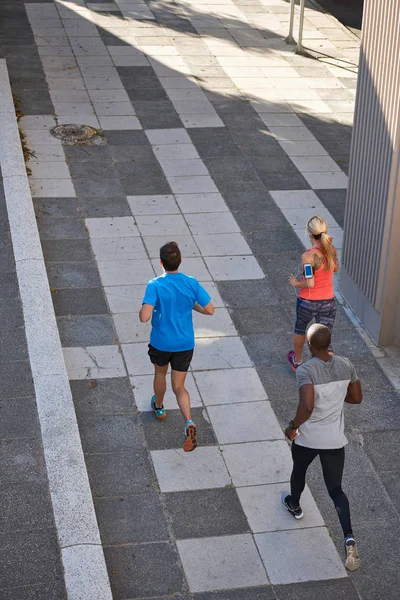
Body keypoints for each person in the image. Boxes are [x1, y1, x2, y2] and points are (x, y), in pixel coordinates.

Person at [283, 323, 362, 572]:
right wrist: (339, 399)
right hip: (334, 441)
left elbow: (306, 407)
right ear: (329, 343)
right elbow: (357, 397)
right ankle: (349, 538)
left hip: (308, 438)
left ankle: (294, 505)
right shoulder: (346, 364)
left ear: (309, 346)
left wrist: (292, 426)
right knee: (336, 490)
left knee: (299, 471)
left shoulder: (305, 370)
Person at [139, 241, 214, 452]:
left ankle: (159, 406)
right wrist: (190, 305)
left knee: (160, 374)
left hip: (161, 343)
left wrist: (145, 309)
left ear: (161, 263)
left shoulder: (155, 284)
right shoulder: (191, 283)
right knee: (179, 386)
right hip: (184, 344)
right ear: (180, 261)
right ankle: (189, 421)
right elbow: (210, 310)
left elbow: (144, 317)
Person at [287, 215, 339, 371]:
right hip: (328, 301)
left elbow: (310, 283)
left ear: (309, 234)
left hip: (308, 302)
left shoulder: (307, 256)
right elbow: (335, 268)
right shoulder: (331, 250)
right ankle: (325, 366)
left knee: (300, 329)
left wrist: (296, 283)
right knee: (324, 335)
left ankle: (297, 361)